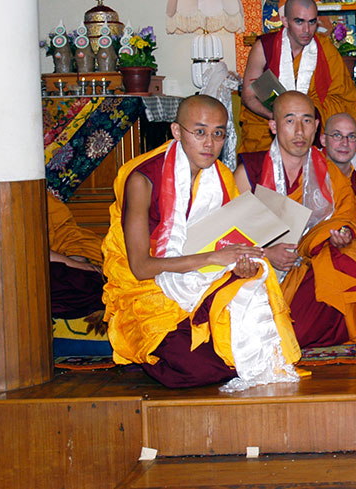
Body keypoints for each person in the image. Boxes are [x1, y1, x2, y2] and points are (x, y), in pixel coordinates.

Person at [102, 95, 300, 389]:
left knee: (255, 347)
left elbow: (228, 241)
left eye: (218, 133)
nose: (210, 144)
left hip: (202, 282)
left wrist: (241, 266)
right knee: (198, 368)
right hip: (149, 290)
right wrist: (212, 260)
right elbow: (141, 267)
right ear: (177, 131)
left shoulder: (220, 176)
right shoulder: (142, 180)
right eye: (200, 132)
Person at [236, 96, 356, 349]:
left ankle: (309, 326)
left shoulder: (327, 170)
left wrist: (340, 234)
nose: (299, 131)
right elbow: (228, 237)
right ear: (274, 126)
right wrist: (267, 253)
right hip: (263, 268)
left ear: (316, 126)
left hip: (310, 265)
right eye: (290, 121)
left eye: (306, 120)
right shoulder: (250, 171)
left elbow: (347, 218)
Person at [240, 0, 356, 153]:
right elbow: (249, 94)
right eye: (299, 22)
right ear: (285, 21)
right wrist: (276, 116)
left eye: (311, 22)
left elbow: (344, 99)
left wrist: (305, 116)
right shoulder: (264, 47)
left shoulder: (325, 49)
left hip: (312, 128)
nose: (306, 30)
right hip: (267, 126)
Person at [47, 192, 105, 320]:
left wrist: (76, 257)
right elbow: (32, 252)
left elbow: (63, 231)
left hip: (62, 254)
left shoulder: (35, 195)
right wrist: (81, 266)